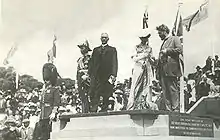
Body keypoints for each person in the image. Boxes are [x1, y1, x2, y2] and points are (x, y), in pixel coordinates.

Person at [127, 29, 157, 110]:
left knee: (146, 85)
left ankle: (145, 103)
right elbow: (133, 58)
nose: (145, 39)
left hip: (147, 68)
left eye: (146, 38)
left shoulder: (149, 48)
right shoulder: (136, 47)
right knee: (136, 85)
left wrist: (150, 58)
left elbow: (152, 61)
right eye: (143, 38)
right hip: (138, 67)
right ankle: (134, 104)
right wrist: (143, 56)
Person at [156, 24, 183, 112]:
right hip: (162, 70)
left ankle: (175, 108)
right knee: (165, 90)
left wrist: (167, 51)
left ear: (164, 31)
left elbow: (179, 50)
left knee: (172, 89)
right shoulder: (163, 42)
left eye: (160, 33)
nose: (159, 35)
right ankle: (168, 109)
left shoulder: (175, 38)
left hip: (171, 69)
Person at [88, 33, 118, 112]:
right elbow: (92, 62)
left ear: (108, 39)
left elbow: (114, 62)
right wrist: (90, 73)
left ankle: (104, 109)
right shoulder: (96, 50)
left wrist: (114, 74)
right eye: (102, 37)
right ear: (100, 39)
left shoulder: (112, 50)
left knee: (106, 92)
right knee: (96, 92)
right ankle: (94, 109)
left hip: (107, 74)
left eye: (105, 37)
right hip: (97, 75)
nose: (103, 39)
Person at [35, 57, 61, 140]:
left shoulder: (55, 89)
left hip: (49, 115)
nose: (46, 81)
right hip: (42, 115)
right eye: (45, 79)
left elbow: (56, 103)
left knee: (47, 135)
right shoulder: (44, 90)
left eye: (48, 79)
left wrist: (53, 112)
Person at [76, 39, 91, 113]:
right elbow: (77, 71)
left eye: (83, 47)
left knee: (89, 97)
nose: (81, 49)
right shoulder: (79, 60)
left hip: (88, 81)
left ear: (86, 47)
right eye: (80, 48)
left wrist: (87, 75)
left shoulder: (91, 58)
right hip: (81, 80)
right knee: (83, 98)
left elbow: (93, 69)